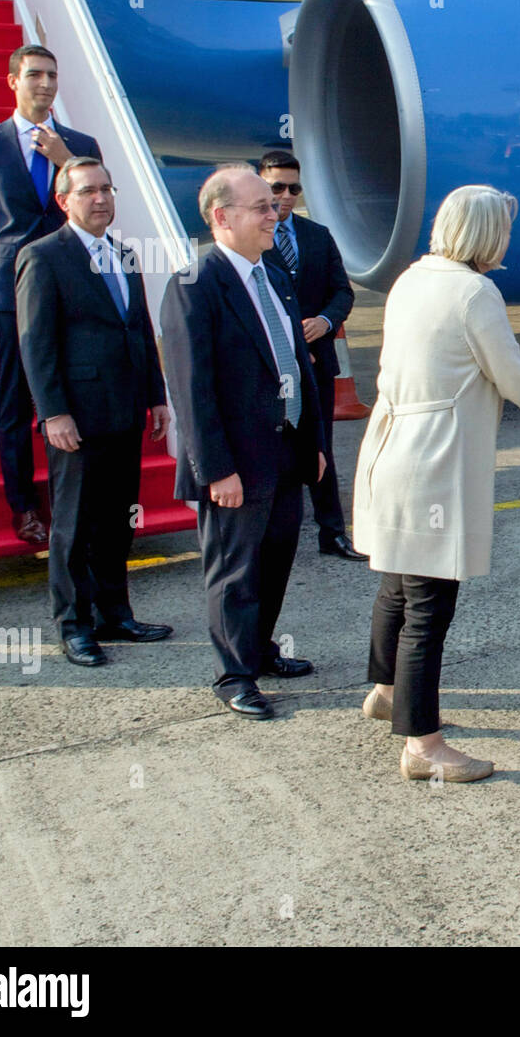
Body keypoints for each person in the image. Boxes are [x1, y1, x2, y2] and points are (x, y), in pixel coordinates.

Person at [352, 185, 520, 782]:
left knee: (397, 584)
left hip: (390, 449)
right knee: (429, 606)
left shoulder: (411, 278)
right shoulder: (475, 292)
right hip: (433, 463)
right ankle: (423, 744)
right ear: (488, 234)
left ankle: (387, 692)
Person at [160, 166, 326, 720]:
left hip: (284, 452)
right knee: (234, 570)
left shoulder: (273, 275)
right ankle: (234, 675)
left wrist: (315, 443)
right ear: (221, 217)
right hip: (234, 463)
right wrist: (214, 470)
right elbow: (191, 389)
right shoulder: (194, 284)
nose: (273, 214)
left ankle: (258, 648)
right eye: (260, 207)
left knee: (275, 561)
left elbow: (299, 365)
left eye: (274, 205)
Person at [15, 156, 174, 667]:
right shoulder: (43, 257)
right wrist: (53, 412)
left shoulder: (125, 255)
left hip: (125, 410)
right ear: (64, 201)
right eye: (88, 191)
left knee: (116, 520)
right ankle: (74, 624)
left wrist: (156, 395)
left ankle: (115, 613)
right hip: (77, 418)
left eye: (107, 189)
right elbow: (35, 344)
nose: (101, 198)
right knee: (74, 523)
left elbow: (140, 331)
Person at [0, 45, 102, 545]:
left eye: (52, 75)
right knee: (17, 400)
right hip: (7, 289)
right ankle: (23, 506)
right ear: (13, 81)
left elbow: (96, 211)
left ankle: (74, 499)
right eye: (35, 74)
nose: (45, 83)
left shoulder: (80, 144)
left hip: (71, 283)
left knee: (74, 392)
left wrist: (67, 162)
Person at [258, 150, 364, 562]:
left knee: (321, 447)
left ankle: (332, 532)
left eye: (293, 188)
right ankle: (267, 533)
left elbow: (343, 290)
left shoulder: (317, 235)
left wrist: (325, 319)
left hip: (318, 363)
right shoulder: (252, 239)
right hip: (273, 368)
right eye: (276, 187)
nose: (285, 196)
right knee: (272, 446)